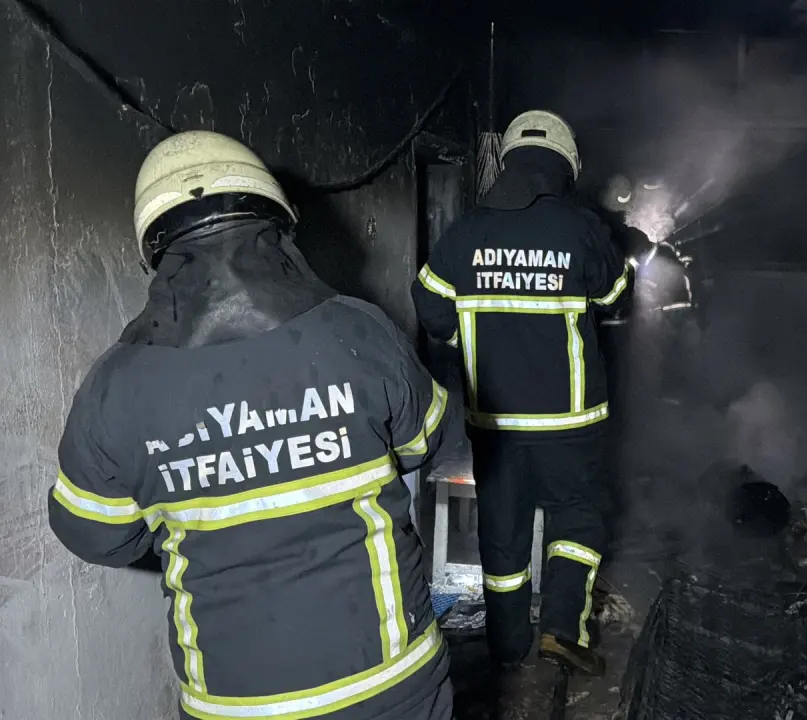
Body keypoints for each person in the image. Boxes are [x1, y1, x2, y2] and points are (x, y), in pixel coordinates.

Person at [47, 131, 454, 720]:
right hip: (393, 681)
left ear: (157, 249)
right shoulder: (359, 329)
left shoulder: (114, 386)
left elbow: (94, 535)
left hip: (235, 702)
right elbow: (423, 441)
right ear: (277, 224)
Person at [412, 111, 630, 694]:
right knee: (577, 517)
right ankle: (562, 630)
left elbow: (430, 307)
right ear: (564, 167)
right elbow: (615, 294)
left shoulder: (466, 232)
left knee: (503, 533)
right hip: (572, 421)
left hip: (496, 422)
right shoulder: (581, 229)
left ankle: (508, 649)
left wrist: (474, 339)